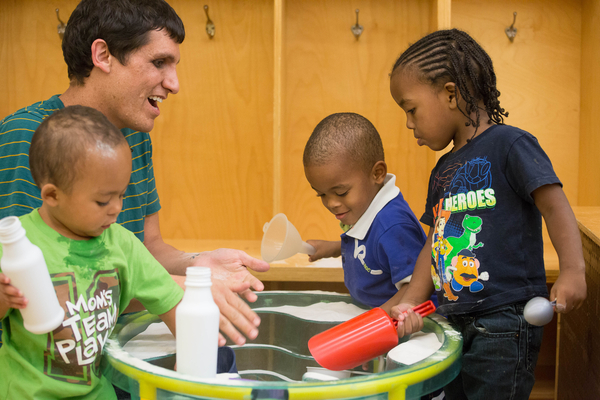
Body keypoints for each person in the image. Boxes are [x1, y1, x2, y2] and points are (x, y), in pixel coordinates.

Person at [0, 0, 268, 347]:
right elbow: (33, 284)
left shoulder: (133, 137)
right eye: (159, 63)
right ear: (103, 56)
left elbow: (147, 248)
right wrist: (178, 288)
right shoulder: (27, 134)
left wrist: (197, 264)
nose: (173, 84)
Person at [388, 29, 587, 399]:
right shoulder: (443, 169)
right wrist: (412, 298)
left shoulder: (511, 144)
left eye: (411, 109)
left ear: (450, 94)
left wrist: (573, 269)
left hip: (505, 321)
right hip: (453, 320)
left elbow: (554, 204)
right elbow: (436, 238)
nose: (408, 124)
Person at [0, 106, 236, 399]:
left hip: (97, 393)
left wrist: (192, 361)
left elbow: (173, 304)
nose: (117, 209)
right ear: (52, 195)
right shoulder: (14, 244)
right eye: (102, 201)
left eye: (121, 195)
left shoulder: (121, 244)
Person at [302, 113, 429, 315]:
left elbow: (415, 288)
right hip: (372, 314)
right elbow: (371, 248)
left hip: (407, 326)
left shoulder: (393, 225)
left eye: (341, 192)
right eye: (321, 194)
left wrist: (374, 321)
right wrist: (334, 248)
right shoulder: (366, 208)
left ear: (377, 174)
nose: (331, 203)